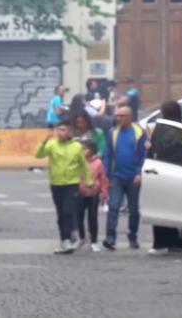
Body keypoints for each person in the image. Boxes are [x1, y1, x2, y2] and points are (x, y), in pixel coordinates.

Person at [34, 123, 89, 254]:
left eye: (63, 130)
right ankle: (64, 239)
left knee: (68, 211)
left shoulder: (76, 147)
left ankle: (69, 237)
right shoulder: (52, 145)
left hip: (72, 183)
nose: (60, 132)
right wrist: (44, 141)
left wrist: (88, 180)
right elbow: (38, 154)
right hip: (56, 183)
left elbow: (83, 165)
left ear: (70, 132)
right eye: (58, 130)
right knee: (60, 213)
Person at [147, 101, 182, 255]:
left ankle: (164, 242)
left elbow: (160, 147)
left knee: (163, 208)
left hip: (164, 171)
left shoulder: (168, 127)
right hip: (169, 171)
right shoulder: (174, 127)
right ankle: (171, 242)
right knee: (167, 208)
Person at [102, 106, 148, 251]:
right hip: (117, 176)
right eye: (117, 116)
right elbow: (108, 153)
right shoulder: (112, 132)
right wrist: (107, 173)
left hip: (133, 177)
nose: (118, 118)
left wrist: (140, 173)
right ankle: (110, 237)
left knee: (134, 209)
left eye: (122, 116)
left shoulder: (139, 132)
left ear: (130, 117)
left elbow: (143, 155)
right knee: (113, 206)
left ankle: (132, 236)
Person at [76, 139, 107, 253]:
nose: (83, 151)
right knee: (79, 217)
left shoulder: (98, 163)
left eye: (85, 148)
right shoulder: (78, 162)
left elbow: (103, 178)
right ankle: (81, 238)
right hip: (79, 193)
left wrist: (104, 192)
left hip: (93, 193)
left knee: (92, 217)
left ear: (93, 150)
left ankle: (94, 241)